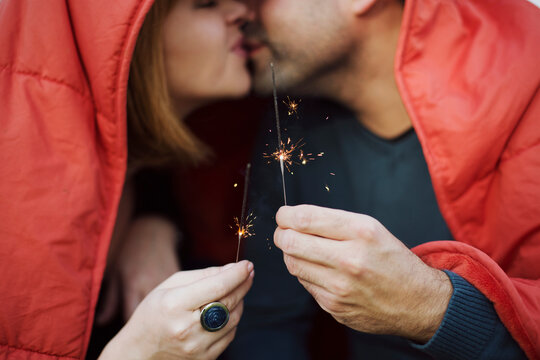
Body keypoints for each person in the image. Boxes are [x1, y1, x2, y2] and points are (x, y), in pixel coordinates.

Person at [226, 0, 540, 358]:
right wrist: (155, 220)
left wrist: (431, 308)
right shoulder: (288, 126)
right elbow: (267, 324)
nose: (240, 11)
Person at [0, 0, 256, 359]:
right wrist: (139, 352)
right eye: (206, 3)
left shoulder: (148, 186)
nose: (243, 12)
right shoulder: (17, 205)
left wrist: (155, 221)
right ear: (130, 41)